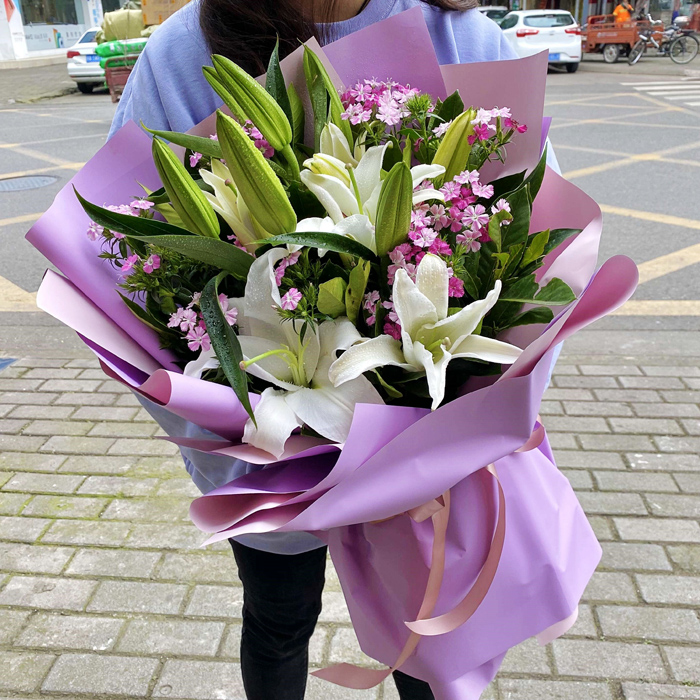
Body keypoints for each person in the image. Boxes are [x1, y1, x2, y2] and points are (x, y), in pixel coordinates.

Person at [108, 2, 523, 699]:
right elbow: (126, 292)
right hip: (271, 471)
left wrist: (462, 432)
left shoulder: (471, 40)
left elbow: (533, 279)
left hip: (426, 481)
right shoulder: (183, 55)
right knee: (278, 618)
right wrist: (253, 444)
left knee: (425, 647)